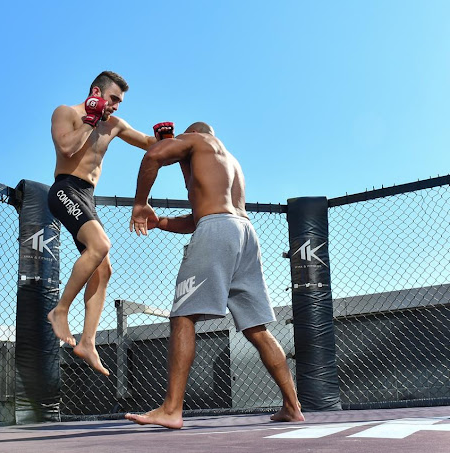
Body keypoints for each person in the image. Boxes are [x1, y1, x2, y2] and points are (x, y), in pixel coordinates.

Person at [125, 122, 305, 428]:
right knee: (257, 328)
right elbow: (201, 217)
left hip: (218, 230)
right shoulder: (230, 162)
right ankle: (292, 405)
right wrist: (161, 222)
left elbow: (153, 155)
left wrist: (141, 204)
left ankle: (172, 409)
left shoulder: (196, 141)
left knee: (183, 317)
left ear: (193, 134)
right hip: (245, 234)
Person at [47, 70, 173, 376]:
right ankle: (60, 310)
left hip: (87, 197)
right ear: (96, 92)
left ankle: (87, 342)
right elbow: (67, 148)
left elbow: (148, 143)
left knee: (103, 268)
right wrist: (90, 119)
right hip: (65, 189)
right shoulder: (67, 113)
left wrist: (165, 141)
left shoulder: (114, 124)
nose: (116, 106)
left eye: (120, 102)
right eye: (113, 98)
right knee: (101, 245)